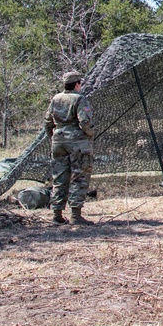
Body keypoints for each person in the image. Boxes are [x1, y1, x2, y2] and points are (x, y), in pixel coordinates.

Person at [43, 71, 95, 225]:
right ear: (77, 84)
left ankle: (57, 215)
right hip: (77, 143)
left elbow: (47, 122)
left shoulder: (55, 99)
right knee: (79, 176)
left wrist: (53, 137)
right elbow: (85, 122)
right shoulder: (80, 99)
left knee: (59, 177)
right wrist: (90, 134)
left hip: (58, 141)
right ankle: (76, 215)